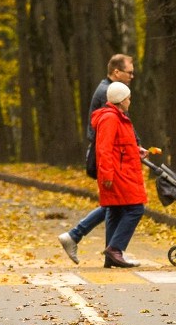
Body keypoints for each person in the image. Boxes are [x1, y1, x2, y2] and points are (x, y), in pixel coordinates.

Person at [58, 53, 136, 264]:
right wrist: (130, 150)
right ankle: (78, 236)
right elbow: (109, 135)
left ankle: (111, 253)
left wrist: (134, 147)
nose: (131, 76)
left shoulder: (110, 90)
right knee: (119, 204)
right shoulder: (108, 93)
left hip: (112, 160)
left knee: (114, 206)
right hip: (111, 162)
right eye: (129, 72)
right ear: (116, 72)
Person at [91, 81, 146, 268]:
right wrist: (106, 175)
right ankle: (115, 249)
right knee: (136, 209)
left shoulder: (118, 117)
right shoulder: (110, 119)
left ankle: (111, 256)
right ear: (121, 100)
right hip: (118, 173)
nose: (130, 101)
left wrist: (136, 150)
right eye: (128, 98)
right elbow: (104, 149)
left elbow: (120, 145)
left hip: (120, 170)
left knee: (115, 211)